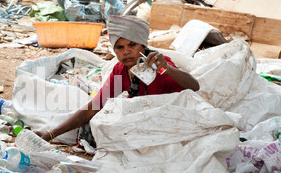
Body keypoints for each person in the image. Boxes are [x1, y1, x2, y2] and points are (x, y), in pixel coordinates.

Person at [34, 15, 200, 147]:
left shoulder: (158, 65)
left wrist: (167, 69)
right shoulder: (121, 72)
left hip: (172, 124)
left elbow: (194, 86)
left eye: (132, 45)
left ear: (143, 46)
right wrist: (50, 134)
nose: (126, 52)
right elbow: (93, 108)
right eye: (120, 48)